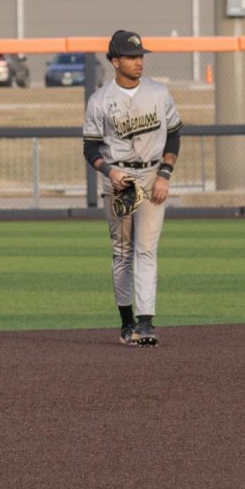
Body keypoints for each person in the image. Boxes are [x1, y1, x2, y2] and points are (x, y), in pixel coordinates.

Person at [82, 30, 182, 347]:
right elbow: (91, 148)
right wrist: (109, 172)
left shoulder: (158, 93)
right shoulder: (100, 100)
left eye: (140, 56)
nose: (138, 62)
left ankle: (146, 322)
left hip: (153, 174)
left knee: (147, 248)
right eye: (130, 56)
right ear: (115, 61)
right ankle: (127, 324)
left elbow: (175, 135)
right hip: (120, 180)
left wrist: (165, 174)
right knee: (122, 253)